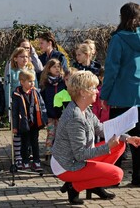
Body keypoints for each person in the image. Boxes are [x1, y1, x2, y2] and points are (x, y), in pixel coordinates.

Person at [51, 70, 140, 205]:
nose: (97, 91)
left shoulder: (84, 108)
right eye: (93, 88)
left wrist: (127, 138)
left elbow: (102, 129)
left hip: (76, 158)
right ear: (82, 92)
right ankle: (75, 186)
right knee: (117, 175)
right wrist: (107, 147)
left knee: (121, 144)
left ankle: (92, 183)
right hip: (67, 165)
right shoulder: (75, 118)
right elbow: (80, 154)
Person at [100, 2, 140, 185]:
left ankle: (113, 178)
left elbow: (111, 69)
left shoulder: (117, 39)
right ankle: (138, 178)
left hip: (121, 96)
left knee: (116, 138)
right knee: (138, 140)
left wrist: (104, 95)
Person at [4, 47, 38, 169]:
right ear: (15, 58)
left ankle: (27, 156)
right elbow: (7, 88)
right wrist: (8, 105)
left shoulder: (31, 70)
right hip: (17, 105)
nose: (25, 59)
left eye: (27, 56)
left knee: (29, 132)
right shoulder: (12, 71)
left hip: (29, 106)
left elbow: (36, 88)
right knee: (17, 132)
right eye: (22, 56)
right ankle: (18, 157)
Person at [12, 71, 47, 171]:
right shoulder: (17, 94)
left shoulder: (35, 92)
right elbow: (14, 111)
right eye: (30, 81)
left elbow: (42, 106)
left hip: (35, 122)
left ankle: (36, 161)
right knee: (25, 143)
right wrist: (15, 126)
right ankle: (25, 161)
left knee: (35, 142)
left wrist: (43, 119)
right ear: (22, 82)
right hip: (23, 123)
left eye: (33, 81)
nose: (32, 83)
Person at [39, 58, 65, 161]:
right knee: (51, 133)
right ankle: (48, 153)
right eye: (54, 67)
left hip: (61, 114)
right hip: (49, 114)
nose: (57, 69)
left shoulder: (62, 82)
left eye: (58, 66)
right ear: (49, 69)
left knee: (60, 134)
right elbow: (42, 100)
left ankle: (58, 154)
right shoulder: (45, 84)